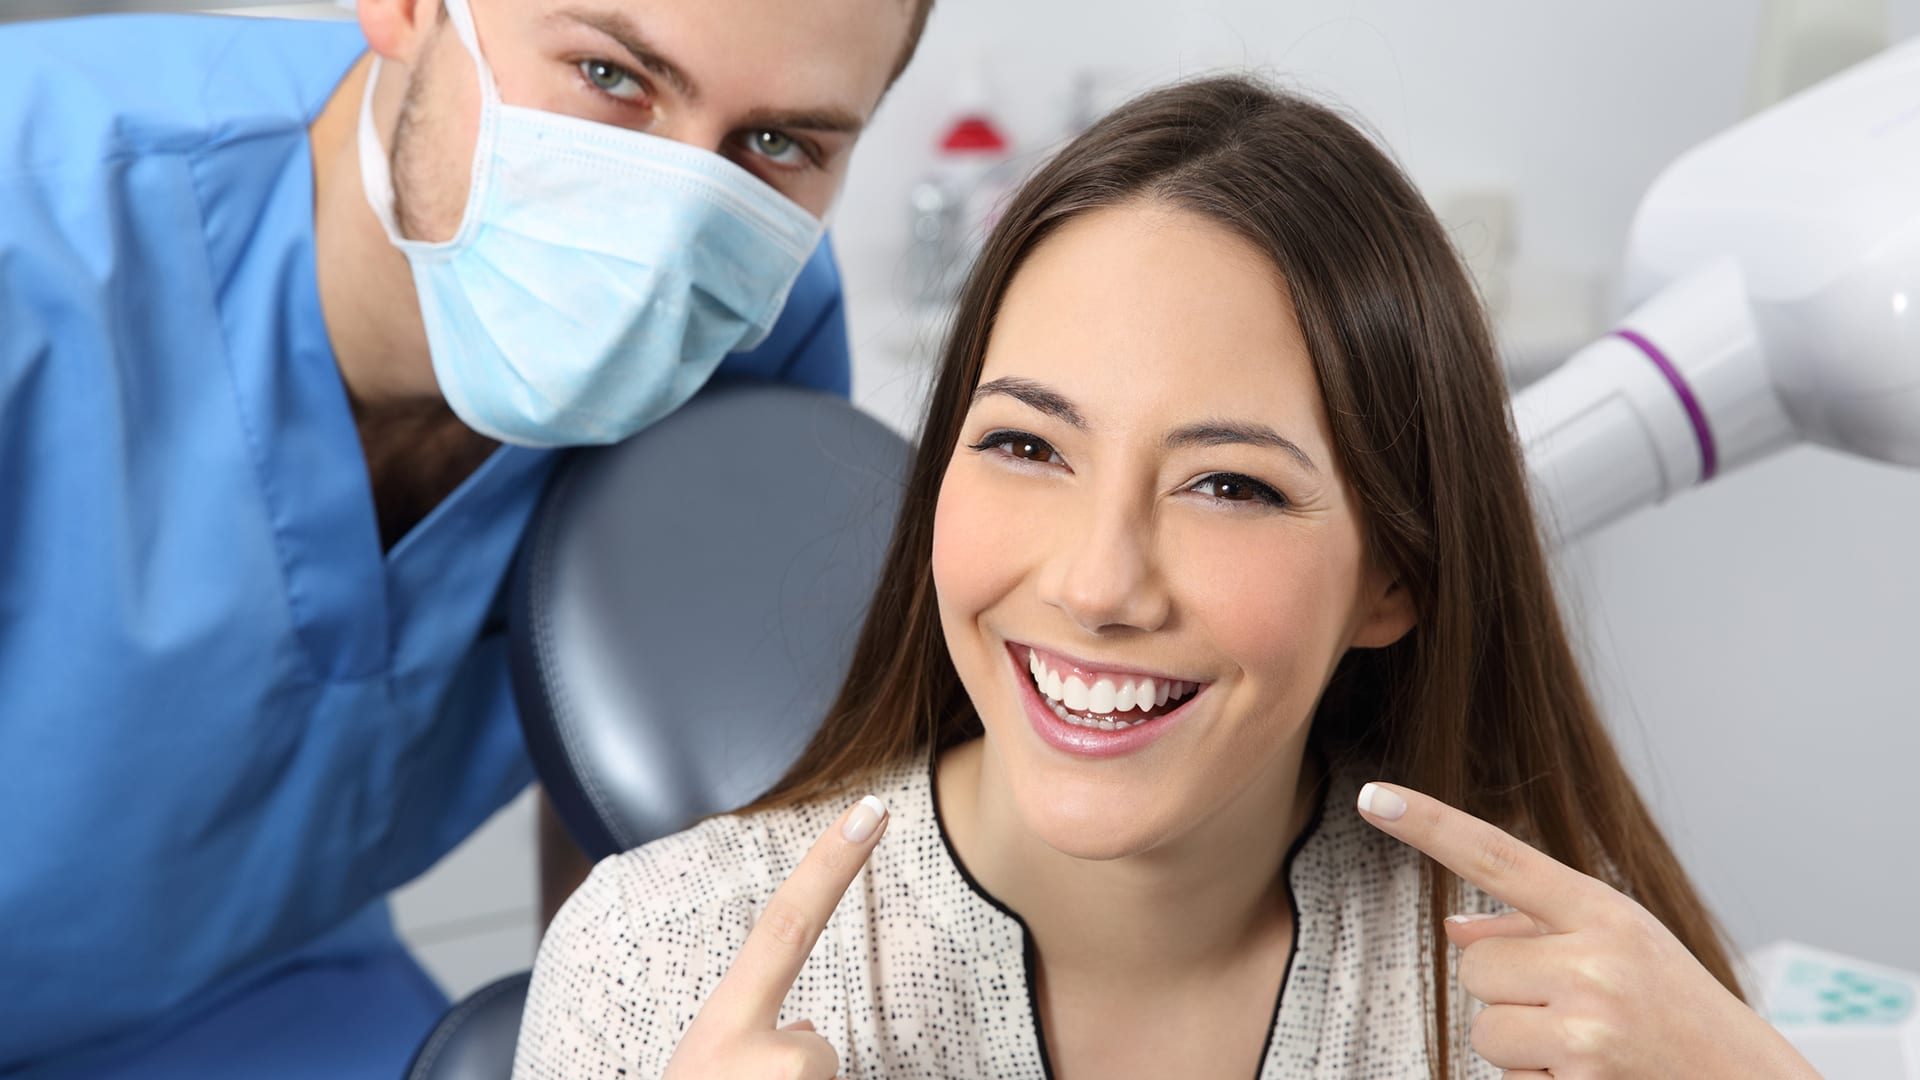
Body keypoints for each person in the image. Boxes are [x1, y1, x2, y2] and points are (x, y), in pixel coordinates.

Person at [513, 76, 1824, 1078]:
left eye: (1228, 485)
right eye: (1027, 445)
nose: (1098, 582)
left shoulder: (1542, 997)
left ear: (1393, 580)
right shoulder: (662, 964)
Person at [0, 0, 932, 1074]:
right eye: (610, 75)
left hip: (265, 997)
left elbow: (645, 811)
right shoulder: (42, 230)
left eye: (779, 143)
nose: (672, 232)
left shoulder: (745, 322)